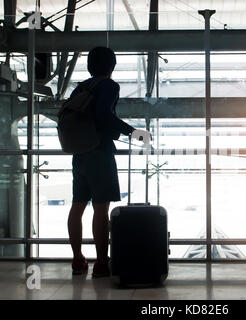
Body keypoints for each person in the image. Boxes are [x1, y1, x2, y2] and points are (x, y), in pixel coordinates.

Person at [67, 46, 150, 278]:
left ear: (89, 66)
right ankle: (102, 263)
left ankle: (77, 260)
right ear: (111, 66)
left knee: (78, 205)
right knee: (101, 208)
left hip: (79, 153)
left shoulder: (81, 88)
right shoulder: (109, 86)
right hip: (99, 152)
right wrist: (133, 132)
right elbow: (104, 114)